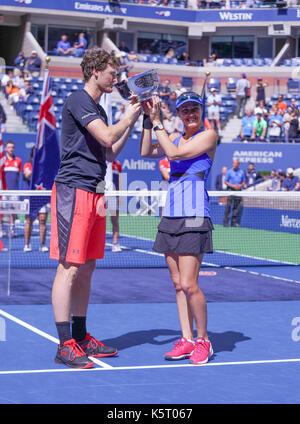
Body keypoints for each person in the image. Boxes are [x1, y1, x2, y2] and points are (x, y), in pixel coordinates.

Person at [49, 48, 141, 369]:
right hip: (73, 190)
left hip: (95, 191)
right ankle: (65, 345)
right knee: (69, 267)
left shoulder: (99, 109)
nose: (115, 79)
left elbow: (112, 150)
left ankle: (81, 335)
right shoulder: (78, 99)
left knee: (87, 267)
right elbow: (105, 137)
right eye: (111, 73)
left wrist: (134, 116)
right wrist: (128, 115)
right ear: (95, 72)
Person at [140, 91, 217, 365]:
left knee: (189, 283)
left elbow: (171, 154)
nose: (190, 114)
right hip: (171, 215)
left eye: (194, 108)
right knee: (177, 285)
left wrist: (159, 120)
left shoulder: (208, 136)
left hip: (195, 216)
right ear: (180, 114)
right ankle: (186, 338)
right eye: (185, 110)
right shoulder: (173, 136)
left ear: (201, 111)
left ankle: (203, 340)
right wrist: (148, 119)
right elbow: (145, 151)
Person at [23, 147, 49, 252]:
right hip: (30, 197)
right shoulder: (28, 165)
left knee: (42, 220)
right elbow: (28, 175)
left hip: (42, 197)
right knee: (29, 220)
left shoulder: (46, 165)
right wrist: (38, 167)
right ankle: (27, 244)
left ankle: (42, 244)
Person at [2, 141, 22, 237]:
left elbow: (18, 177)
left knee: (12, 211)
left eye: (13, 147)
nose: (11, 149)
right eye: (9, 147)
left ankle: (12, 229)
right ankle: (1, 229)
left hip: (14, 191)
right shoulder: (2, 161)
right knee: (2, 210)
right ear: (5, 148)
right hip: (3, 191)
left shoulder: (18, 160)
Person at [223, 158, 246, 227]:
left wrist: (240, 185)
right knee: (228, 207)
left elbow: (243, 181)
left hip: (238, 192)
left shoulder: (241, 172)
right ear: (233, 164)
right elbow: (225, 181)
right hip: (231, 191)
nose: (235, 165)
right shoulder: (229, 172)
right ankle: (225, 223)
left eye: (236, 163)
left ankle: (234, 223)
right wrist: (233, 186)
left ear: (238, 164)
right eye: (234, 163)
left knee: (236, 208)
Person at [110, 160, 122, 252]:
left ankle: (115, 243)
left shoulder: (117, 164)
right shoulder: (99, 159)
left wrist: (120, 195)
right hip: (101, 193)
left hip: (114, 195)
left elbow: (120, 181)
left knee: (114, 220)